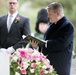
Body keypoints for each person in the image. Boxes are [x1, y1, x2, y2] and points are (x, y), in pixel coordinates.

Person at [30, 2, 74, 75]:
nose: (48, 16)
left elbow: (61, 44)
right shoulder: (51, 26)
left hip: (60, 69)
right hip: (47, 68)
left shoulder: (68, 26)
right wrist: (37, 46)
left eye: (49, 14)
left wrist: (45, 43)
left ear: (57, 13)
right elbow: (46, 47)